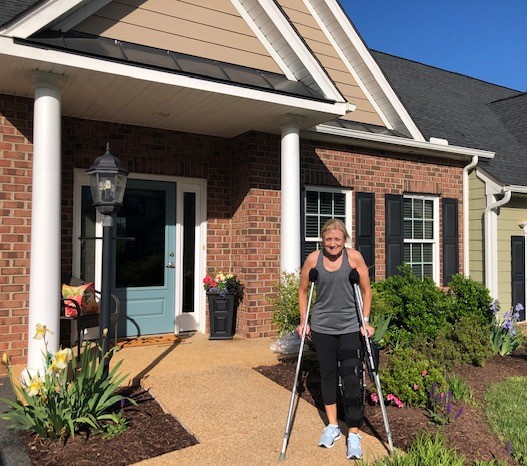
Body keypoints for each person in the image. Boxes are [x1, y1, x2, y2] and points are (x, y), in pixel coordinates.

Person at [297, 218, 373, 460]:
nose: (332, 244)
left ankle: (353, 432)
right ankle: (332, 426)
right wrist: (304, 321)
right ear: (322, 239)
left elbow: (366, 290)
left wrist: (365, 321)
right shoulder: (313, 259)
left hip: (350, 326)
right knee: (328, 375)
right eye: (328, 239)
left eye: (337, 239)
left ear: (344, 240)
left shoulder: (354, 258)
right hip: (322, 327)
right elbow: (302, 291)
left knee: (351, 377)